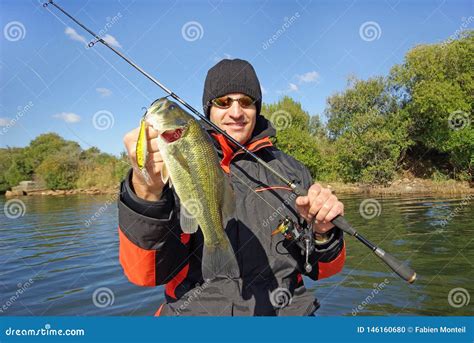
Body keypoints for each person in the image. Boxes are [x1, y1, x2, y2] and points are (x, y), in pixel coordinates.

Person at [119, 58, 346, 316]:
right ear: (208, 109)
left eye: (246, 102)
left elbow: (323, 270)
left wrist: (323, 232)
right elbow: (145, 274)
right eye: (223, 102)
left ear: (257, 109)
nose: (236, 113)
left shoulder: (292, 171)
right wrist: (145, 189)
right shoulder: (164, 167)